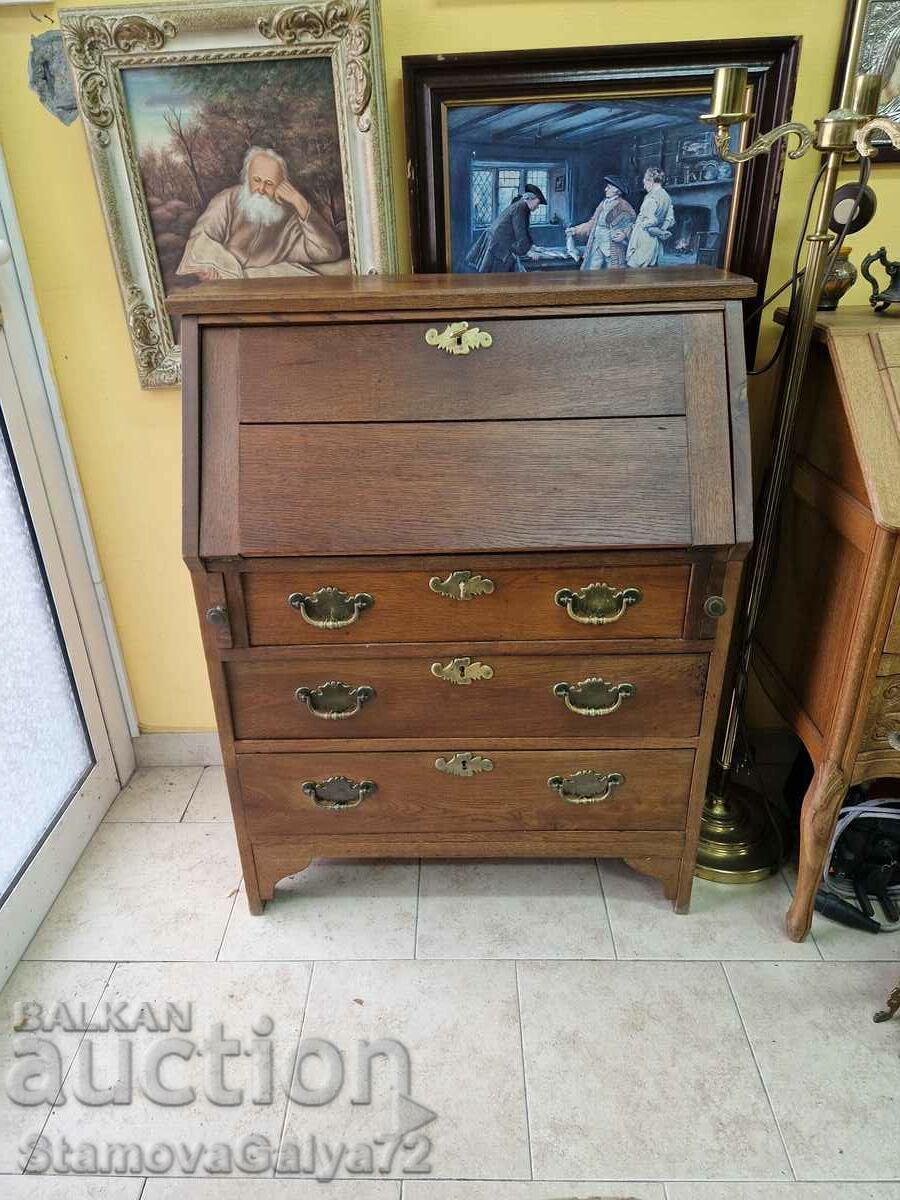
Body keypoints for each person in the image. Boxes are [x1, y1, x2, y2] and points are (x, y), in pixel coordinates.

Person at [176, 146, 343, 281]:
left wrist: (301, 204)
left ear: (281, 185)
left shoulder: (289, 215)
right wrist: (205, 267)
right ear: (247, 177)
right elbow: (200, 240)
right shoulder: (228, 199)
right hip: (228, 282)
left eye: (269, 183)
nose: (261, 189)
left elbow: (328, 251)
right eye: (256, 180)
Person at [465, 183, 547, 273]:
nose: (537, 206)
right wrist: (528, 252)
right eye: (538, 203)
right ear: (530, 199)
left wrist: (532, 246)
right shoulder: (520, 207)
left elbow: (525, 230)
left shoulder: (523, 207)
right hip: (498, 246)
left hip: (499, 242)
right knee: (500, 277)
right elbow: (520, 232)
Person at [566, 174, 636, 269]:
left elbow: (633, 225)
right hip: (596, 244)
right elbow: (593, 223)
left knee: (613, 276)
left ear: (617, 190)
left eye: (608, 187)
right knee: (592, 272)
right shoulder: (603, 203)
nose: (605, 189)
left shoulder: (624, 206)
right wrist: (576, 230)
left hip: (613, 247)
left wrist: (624, 234)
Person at [626, 167, 675, 269]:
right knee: (647, 268)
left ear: (651, 181)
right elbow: (670, 219)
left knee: (635, 268)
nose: (644, 186)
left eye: (645, 182)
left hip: (645, 237)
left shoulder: (651, 197)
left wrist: (640, 225)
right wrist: (662, 230)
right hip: (653, 239)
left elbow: (650, 220)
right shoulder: (666, 197)